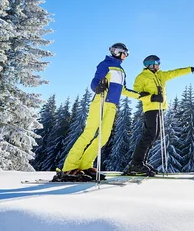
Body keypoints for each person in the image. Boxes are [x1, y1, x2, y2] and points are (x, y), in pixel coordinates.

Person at [54, 43, 148, 182]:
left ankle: (85, 165)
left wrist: (140, 95)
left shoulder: (121, 71)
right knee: (89, 133)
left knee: (104, 137)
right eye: (124, 53)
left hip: (112, 106)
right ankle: (69, 167)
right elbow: (95, 81)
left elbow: (123, 89)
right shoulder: (105, 64)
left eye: (126, 54)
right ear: (117, 52)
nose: (125, 56)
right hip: (100, 101)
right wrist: (97, 87)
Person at [122, 55, 194, 176]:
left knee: (154, 136)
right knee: (149, 135)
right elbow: (137, 93)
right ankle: (136, 163)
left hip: (160, 109)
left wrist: (191, 69)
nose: (159, 65)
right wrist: (152, 97)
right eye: (157, 63)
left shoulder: (161, 75)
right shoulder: (141, 77)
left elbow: (175, 73)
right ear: (150, 64)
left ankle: (141, 162)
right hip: (150, 109)